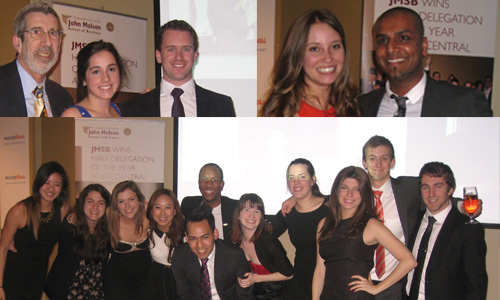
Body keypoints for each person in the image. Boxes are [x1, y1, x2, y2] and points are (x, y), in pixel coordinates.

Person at [357, 7, 492, 117]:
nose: (390, 48)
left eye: (403, 38)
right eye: (382, 40)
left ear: (424, 46)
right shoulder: (360, 107)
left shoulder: (466, 105)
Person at [312, 166, 416, 300]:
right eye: (344, 188)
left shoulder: (371, 225)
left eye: (356, 189)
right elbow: (320, 270)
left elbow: (409, 261)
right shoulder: (324, 224)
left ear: (364, 193)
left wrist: (376, 289)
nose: (350, 194)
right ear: (336, 191)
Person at [118, 20, 236, 117]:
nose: (178, 57)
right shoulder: (132, 108)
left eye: (186, 49)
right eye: (171, 49)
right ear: (158, 56)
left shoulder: (222, 106)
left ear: (195, 55)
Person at [405, 162, 487, 299]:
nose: (431, 194)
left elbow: (475, 285)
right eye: (426, 187)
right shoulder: (413, 219)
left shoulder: (468, 229)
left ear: (450, 190)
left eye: (438, 186)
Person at [259, 9, 360, 117]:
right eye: (315, 49)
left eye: (335, 46)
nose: (328, 58)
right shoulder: (282, 113)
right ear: (298, 56)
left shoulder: (352, 105)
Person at [0, 161, 71, 300]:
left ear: (62, 188)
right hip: (11, 278)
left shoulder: (63, 209)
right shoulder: (20, 211)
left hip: (37, 279)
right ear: (39, 182)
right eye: (47, 182)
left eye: (57, 184)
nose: (51, 188)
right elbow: (2, 249)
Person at [0, 2, 73, 117]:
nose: (48, 42)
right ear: (18, 43)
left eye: (53, 33)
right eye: (37, 32)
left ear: (59, 43)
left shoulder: (63, 97)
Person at [271, 158, 328, 300]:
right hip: (300, 283)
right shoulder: (288, 211)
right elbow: (266, 234)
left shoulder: (331, 207)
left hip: (329, 280)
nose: (296, 182)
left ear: (313, 180)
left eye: (302, 177)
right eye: (291, 178)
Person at [171, 204, 253, 300]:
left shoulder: (234, 255)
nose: (200, 245)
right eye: (193, 239)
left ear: (215, 234)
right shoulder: (180, 256)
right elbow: (185, 294)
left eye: (205, 237)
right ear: (187, 238)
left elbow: (245, 296)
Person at [45, 184, 111, 300]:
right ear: (82, 203)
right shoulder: (69, 227)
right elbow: (44, 235)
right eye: (90, 201)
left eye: (101, 203)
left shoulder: (108, 232)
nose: (95, 207)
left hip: (96, 293)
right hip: (68, 293)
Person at [232, 193, 293, 299]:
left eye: (257, 211)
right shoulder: (236, 242)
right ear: (238, 215)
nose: (252, 216)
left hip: (277, 295)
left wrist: (256, 278)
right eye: (247, 210)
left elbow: (289, 274)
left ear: (261, 218)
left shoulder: (268, 243)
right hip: (253, 295)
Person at [105, 181, 151, 300]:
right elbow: (87, 213)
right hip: (117, 283)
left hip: (145, 282)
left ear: (138, 199)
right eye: (121, 201)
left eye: (131, 199)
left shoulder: (148, 210)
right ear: (116, 205)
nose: (127, 205)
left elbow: (173, 214)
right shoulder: (110, 215)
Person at [61, 40, 126, 117]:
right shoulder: (72, 115)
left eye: (111, 69)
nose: (106, 78)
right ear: (84, 79)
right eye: (96, 72)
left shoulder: (116, 110)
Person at [181, 163, 239, 240]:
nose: (208, 184)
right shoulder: (188, 205)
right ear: (199, 184)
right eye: (204, 179)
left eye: (214, 180)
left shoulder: (234, 208)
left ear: (221, 185)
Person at [146, 189, 185, 300]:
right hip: (157, 282)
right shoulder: (147, 232)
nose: (162, 213)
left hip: (181, 283)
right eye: (157, 207)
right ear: (151, 211)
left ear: (174, 211)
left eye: (168, 207)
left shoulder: (185, 234)